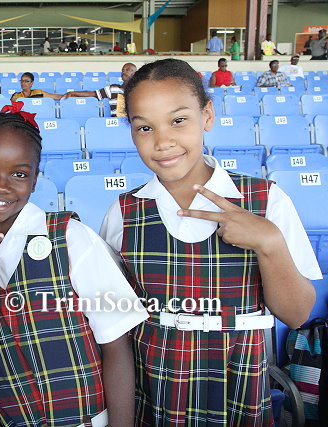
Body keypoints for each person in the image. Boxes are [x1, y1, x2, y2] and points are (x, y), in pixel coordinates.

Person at [100, 58, 321, 426]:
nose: (163, 141)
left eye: (178, 120)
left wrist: (269, 243)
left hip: (240, 383)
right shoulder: (124, 212)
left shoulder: (266, 200)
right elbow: (112, 318)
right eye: (144, 127)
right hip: (156, 391)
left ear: (207, 115)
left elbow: (297, 314)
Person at [0, 102, 147, 426]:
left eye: (19, 174)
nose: (0, 184)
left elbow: (116, 345)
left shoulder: (71, 238)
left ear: (34, 180)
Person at [64, 62, 137, 117]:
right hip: (117, 122)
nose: (124, 72)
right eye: (123, 70)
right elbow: (93, 94)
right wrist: (73, 93)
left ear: (135, 73)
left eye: (127, 70)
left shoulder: (139, 91)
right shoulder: (113, 88)